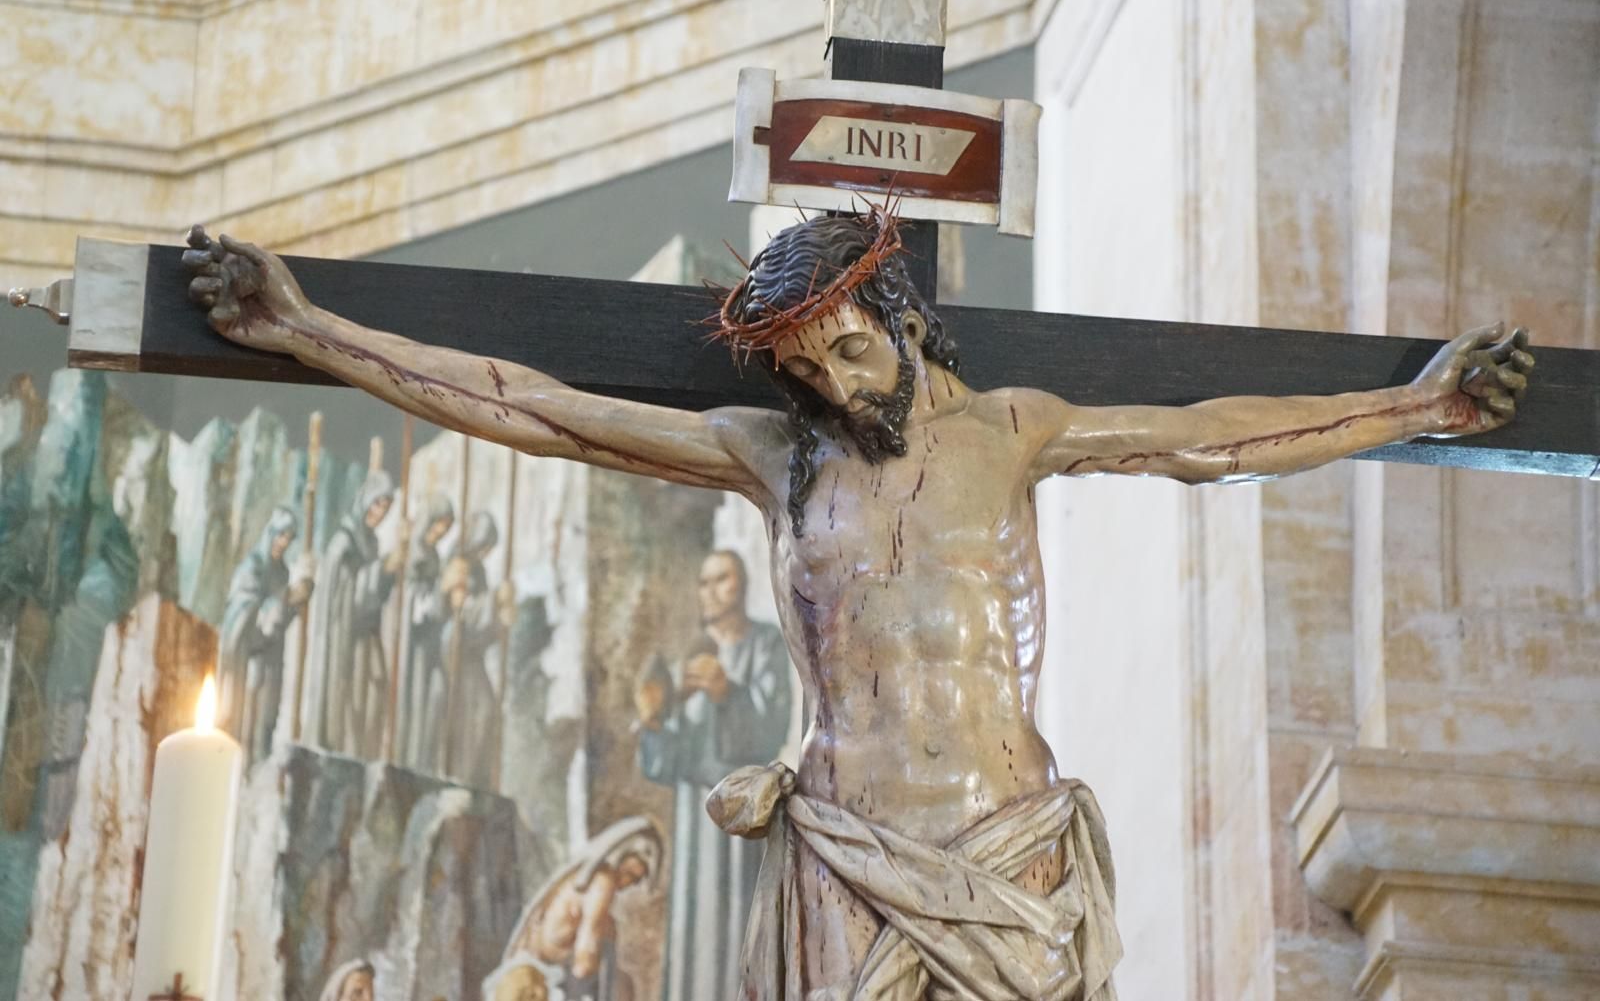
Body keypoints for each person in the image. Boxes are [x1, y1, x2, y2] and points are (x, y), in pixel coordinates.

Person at [185, 209, 1533, 999]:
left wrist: (1419, 408)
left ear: (900, 316)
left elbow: (1212, 437)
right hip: (845, 851)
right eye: (806, 367)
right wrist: (308, 329)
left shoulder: (1014, 429)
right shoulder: (768, 456)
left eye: (848, 346)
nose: (835, 382)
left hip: (1008, 851)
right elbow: (532, 407)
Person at [636, 550, 791, 1001]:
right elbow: (667, 761)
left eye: (721, 579)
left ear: (741, 586)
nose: (711, 591)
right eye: (704, 582)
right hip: (694, 821)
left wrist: (727, 694)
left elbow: (772, 729)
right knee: (693, 929)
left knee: (741, 926)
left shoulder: (765, 644)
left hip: (744, 819)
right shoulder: (688, 655)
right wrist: (652, 722)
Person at [503, 816, 662, 1001]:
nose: (628, 883)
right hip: (535, 980)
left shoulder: (585, 881)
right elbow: (585, 959)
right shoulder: (603, 882)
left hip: (532, 972)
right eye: (631, 874)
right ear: (622, 856)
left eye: (636, 880)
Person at [306, 469, 404, 758]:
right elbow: (347, 596)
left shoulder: (371, 542)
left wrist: (386, 574)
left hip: (366, 633)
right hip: (343, 637)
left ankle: (363, 754)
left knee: (375, 689)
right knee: (351, 699)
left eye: (385, 508)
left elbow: (374, 597)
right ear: (365, 500)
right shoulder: (344, 542)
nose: (379, 513)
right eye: (376, 504)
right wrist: (382, 569)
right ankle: (345, 752)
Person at [218, 505, 312, 765]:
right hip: (247, 656)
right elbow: (245, 611)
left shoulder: (282, 572)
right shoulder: (252, 567)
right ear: (271, 532)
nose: (283, 543)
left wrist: (297, 601)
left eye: (289, 538)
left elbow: (280, 620)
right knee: (246, 716)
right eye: (281, 535)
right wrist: (285, 598)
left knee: (267, 715)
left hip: (270, 656)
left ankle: (259, 761)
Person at [440, 510, 513, 786]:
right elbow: (460, 614)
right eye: (483, 546)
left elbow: (481, 624)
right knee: (470, 713)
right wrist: (494, 601)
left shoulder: (478, 571)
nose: (485, 553)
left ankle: (478, 779)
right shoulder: (456, 564)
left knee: (487, 710)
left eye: (489, 548)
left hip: (471, 655)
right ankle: (462, 777)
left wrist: (501, 620)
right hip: (453, 655)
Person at [400, 493, 454, 772]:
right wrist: (440, 592)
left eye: (444, 531)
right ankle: (409, 760)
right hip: (410, 644)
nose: (438, 534)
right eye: (435, 528)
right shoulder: (412, 553)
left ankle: (423, 761)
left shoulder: (434, 556)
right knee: (413, 701)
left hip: (428, 642)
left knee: (436, 695)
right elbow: (409, 601)